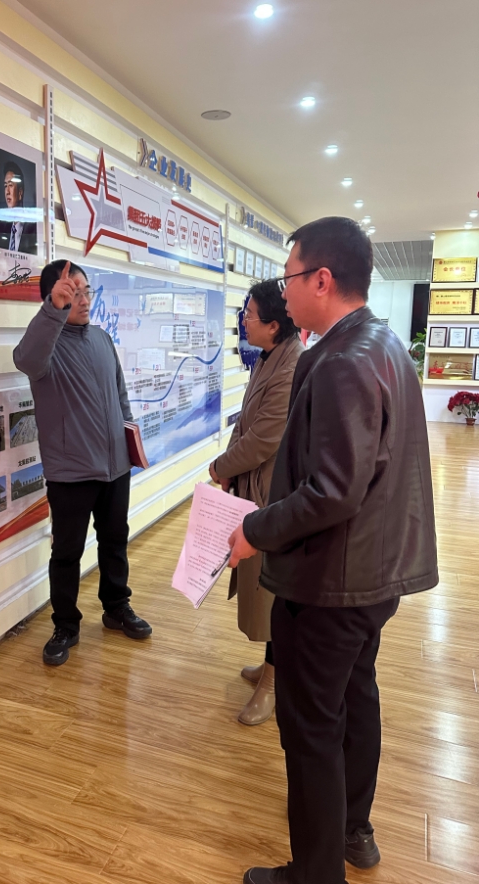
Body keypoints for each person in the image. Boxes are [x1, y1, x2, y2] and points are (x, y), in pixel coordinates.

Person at [228, 217, 438, 884]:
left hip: (333, 579)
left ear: (322, 279)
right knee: (356, 695)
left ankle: (315, 873)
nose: (284, 291)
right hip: (374, 571)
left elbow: (332, 491)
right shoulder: (384, 344)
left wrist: (255, 531)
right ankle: (354, 830)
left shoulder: (344, 361)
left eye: (290, 275)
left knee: (312, 726)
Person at [13, 260, 151, 666]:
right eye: (72, 294)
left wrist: (129, 443)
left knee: (115, 541)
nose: (84, 300)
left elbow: (120, 397)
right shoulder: (44, 349)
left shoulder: (103, 340)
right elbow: (24, 358)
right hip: (70, 473)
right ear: (53, 298)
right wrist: (52, 312)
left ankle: (116, 607)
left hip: (115, 467)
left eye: (86, 291)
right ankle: (65, 625)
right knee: (67, 553)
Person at [209, 280, 302, 726]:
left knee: (272, 593)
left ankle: (275, 681)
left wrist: (221, 465)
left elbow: (265, 437)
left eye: (248, 315)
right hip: (253, 488)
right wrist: (227, 466)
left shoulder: (291, 365)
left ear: (273, 324)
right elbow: (245, 422)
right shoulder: (268, 357)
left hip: (273, 495)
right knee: (261, 590)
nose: (243, 321)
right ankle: (269, 666)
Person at [0, 160, 37, 254]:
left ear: (20, 193)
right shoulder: (2, 230)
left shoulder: (33, 228)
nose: (7, 192)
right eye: (5, 186)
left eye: (10, 185)